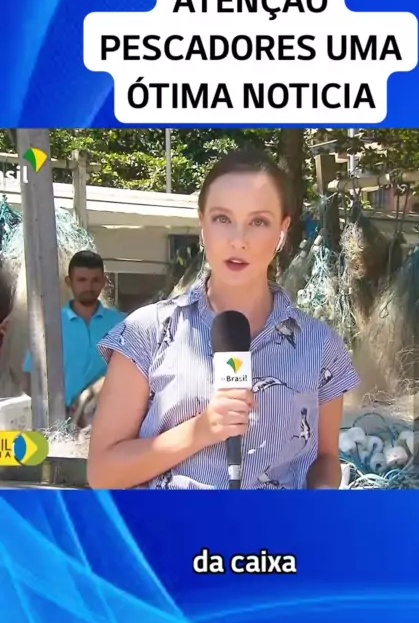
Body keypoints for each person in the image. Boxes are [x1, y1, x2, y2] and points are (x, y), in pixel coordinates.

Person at [88, 149, 360, 490]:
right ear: (202, 223)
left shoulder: (320, 346)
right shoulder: (145, 334)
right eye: (222, 218)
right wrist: (202, 430)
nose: (238, 240)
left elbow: (326, 458)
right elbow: (102, 473)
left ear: (283, 230)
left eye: (258, 222)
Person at [22, 250, 125, 415]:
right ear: (69, 282)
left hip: (110, 419)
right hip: (60, 421)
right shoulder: (51, 324)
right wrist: (52, 408)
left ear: (104, 282)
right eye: (82, 280)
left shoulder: (121, 324)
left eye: (95, 280)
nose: (89, 287)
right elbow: (29, 377)